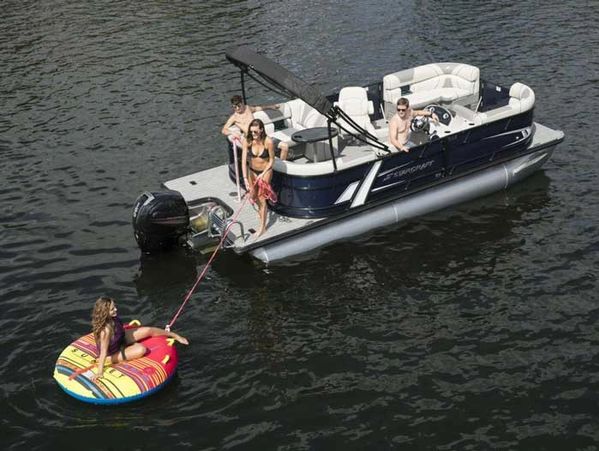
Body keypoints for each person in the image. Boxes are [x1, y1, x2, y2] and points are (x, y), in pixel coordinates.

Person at [90, 296, 188, 381]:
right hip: (112, 352)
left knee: (149, 330)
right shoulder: (105, 331)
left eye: (114, 307)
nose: (116, 309)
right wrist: (99, 372)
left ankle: (175, 336)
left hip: (120, 338)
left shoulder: (113, 318)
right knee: (141, 349)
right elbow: (103, 351)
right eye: (112, 309)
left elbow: (119, 330)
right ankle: (109, 360)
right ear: (105, 312)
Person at [222, 95, 289, 160]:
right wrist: (232, 132)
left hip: (262, 136)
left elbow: (257, 108)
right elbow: (224, 130)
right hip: (252, 140)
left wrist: (271, 107)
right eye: (234, 107)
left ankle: (282, 164)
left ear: (242, 103)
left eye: (239, 106)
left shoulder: (248, 108)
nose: (237, 109)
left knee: (285, 146)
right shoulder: (234, 117)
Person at [241, 118, 276, 237]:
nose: (253, 134)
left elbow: (271, 160)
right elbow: (244, 160)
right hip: (252, 171)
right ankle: (262, 211)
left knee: (261, 198)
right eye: (251, 132)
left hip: (265, 171)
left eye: (255, 132)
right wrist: (245, 178)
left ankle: (262, 227)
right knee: (253, 196)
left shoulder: (268, 142)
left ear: (261, 130)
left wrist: (263, 173)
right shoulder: (248, 141)